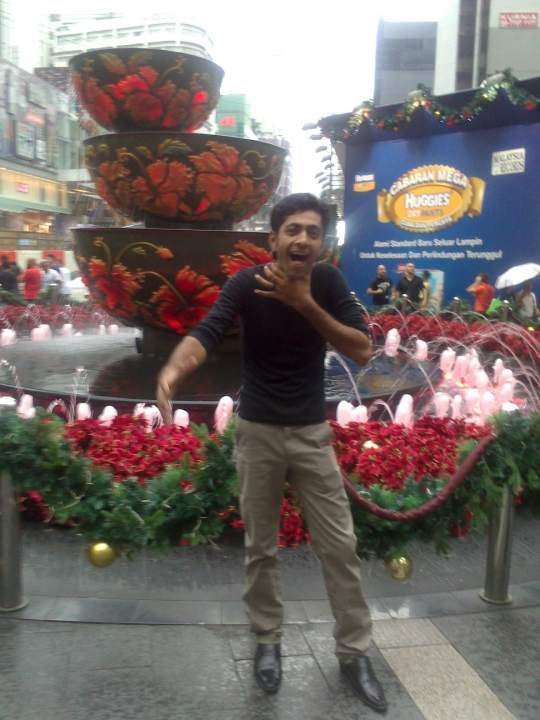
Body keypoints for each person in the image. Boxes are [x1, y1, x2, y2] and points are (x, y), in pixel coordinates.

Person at [156, 193, 387, 713]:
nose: (302, 239)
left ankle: (354, 653)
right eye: (292, 229)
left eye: (312, 231)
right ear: (274, 239)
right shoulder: (246, 284)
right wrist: (173, 369)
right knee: (261, 547)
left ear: (321, 243)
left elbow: (361, 348)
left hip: (310, 433)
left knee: (340, 547)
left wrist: (303, 302)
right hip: (257, 432)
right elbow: (206, 333)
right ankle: (267, 639)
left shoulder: (328, 284)